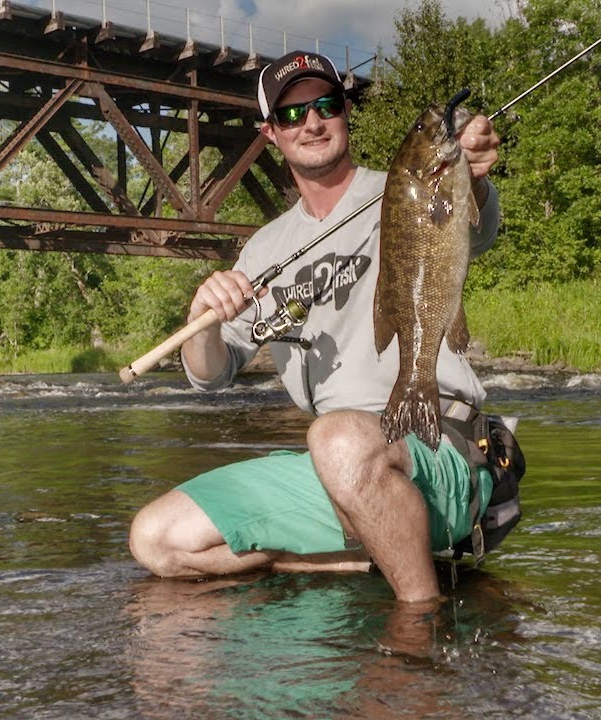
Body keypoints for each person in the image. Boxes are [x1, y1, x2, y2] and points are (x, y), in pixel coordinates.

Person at [128, 50, 503, 605]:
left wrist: (470, 173)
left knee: (335, 437)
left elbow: (478, 228)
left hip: (442, 445)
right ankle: (381, 551)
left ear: (345, 112)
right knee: (157, 539)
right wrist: (201, 318)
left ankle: (421, 624)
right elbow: (210, 377)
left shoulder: (408, 184)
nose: (311, 122)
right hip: (343, 466)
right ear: (271, 134)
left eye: (325, 104)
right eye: (291, 114)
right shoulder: (262, 251)